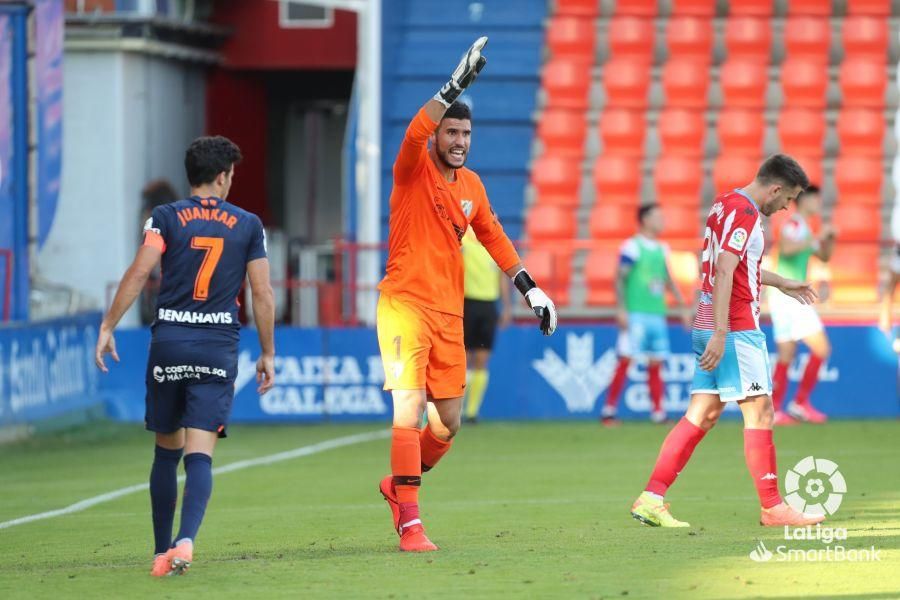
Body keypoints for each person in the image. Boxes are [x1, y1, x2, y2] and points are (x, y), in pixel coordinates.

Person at [376, 37, 557, 552]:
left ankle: (399, 484)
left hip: (447, 315)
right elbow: (415, 131)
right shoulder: (412, 170)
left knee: (447, 424)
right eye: (451, 131)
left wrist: (532, 290)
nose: (459, 140)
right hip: (404, 306)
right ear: (437, 135)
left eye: (465, 133)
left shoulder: (472, 186)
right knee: (407, 411)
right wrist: (456, 84)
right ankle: (411, 523)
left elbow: (496, 239)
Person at [94, 136, 276, 576]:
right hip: (216, 347)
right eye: (231, 175)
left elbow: (141, 271)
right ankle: (186, 541)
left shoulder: (164, 217)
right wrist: (268, 351)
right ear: (221, 176)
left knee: (164, 453)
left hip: (169, 342)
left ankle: (161, 551)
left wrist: (107, 325)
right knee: (200, 454)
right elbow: (262, 293)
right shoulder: (248, 224)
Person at [629, 155, 826, 528]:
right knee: (761, 412)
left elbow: (737, 266)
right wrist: (722, 332)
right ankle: (773, 507)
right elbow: (723, 270)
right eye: (787, 199)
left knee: (702, 414)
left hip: (710, 322)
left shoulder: (724, 203)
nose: (786, 208)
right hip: (734, 326)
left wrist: (782, 282)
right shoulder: (747, 213)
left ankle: (652, 497)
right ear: (776, 188)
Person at [601, 204, 692, 426]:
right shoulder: (632, 247)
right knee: (626, 359)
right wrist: (621, 309)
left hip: (656, 313)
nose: (662, 220)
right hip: (636, 314)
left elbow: (668, 278)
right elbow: (619, 278)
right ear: (644, 220)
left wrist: (682, 306)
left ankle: (658, 413)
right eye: (657, 216)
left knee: (656, 361)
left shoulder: (663, 248)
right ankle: (609, 410)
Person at [769, 185, 835, 425]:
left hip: (784, 298)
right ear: (804, 200)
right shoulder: (795, 225)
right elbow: (785, 249)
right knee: (821, 349)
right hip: (791, 297)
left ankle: (775, 410)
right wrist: (816, 239)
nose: (818, 203)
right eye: (815, 199)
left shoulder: (806, 228)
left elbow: (824, 256)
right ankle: (800, 403)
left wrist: (829, 239)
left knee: (786, 354)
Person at [462, 227, 513, 424]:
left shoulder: (493, 246)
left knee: (481, 359)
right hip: (467, 303)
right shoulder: (463, 241)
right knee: (462, 359)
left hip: (489, 306)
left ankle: (472, 411)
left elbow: (502, 279)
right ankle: (455, 408)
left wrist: (506, 307)